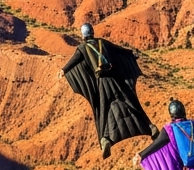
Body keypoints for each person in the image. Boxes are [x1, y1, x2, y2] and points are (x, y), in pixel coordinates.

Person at [60, 22, 158, 157]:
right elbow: (120, 51)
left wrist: (63, 70)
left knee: (103, 110)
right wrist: (131, 55)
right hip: (115, 80)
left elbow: (74, 61)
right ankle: (151, 127)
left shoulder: (82, 49)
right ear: (93, 32)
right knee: (130, 102)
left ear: (83, 35)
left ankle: (105, 139)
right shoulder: (103, 43)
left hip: (102, 83)